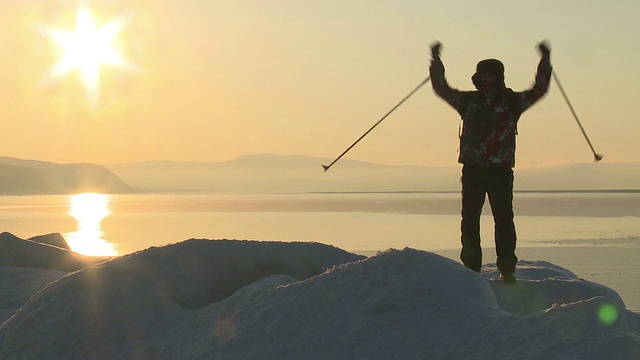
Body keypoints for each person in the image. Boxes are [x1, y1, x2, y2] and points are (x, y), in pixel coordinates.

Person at [429, 41, 552, 283]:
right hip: (474, 168)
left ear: (500, 76)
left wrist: (545, 61)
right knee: (470, 219)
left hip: (500, 169)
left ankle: (507, 268)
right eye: (485, 74)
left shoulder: (512, 102)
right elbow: (441, 88)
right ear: (478, 76)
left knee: (504, 219)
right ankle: (471, 269)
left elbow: (539, 89)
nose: (488, 79)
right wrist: (436, 62)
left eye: (492, 75)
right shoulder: (468, 101)